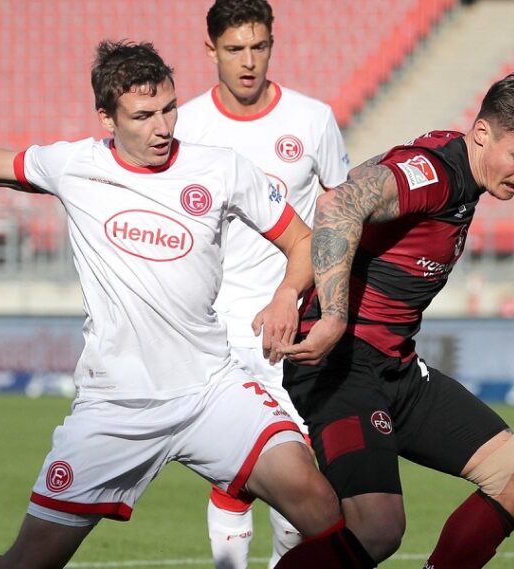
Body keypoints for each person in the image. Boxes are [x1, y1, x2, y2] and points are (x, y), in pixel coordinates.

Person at [0, 40, 375, 569]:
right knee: (31, 559)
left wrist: (285, 295)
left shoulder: (221, 168)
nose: (162, 127)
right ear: (106, 118)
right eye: (143, 116)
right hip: (117, 406)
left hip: (211, 389)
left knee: (318, 505)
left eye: (169, 110)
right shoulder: (72, 166)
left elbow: (305, 241)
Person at [279, 72, 514, 568]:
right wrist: (331, 314)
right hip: (342, 366)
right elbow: (339, 202)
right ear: (483, 134)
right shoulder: (436, 173)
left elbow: (356, 184)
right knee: (378, 528)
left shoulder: (459, 170)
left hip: (396, 369)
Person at [174, 1, 349, 567]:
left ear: (272, 44)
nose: (248, 61)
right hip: (215, 328)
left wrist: (324, 303)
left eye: (259, 47)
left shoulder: (313, 119)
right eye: (234, 49)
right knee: (234, 474)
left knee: (298, 473)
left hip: (290, 322)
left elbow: (341, 219)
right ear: (210, 51)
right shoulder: (186, 127)